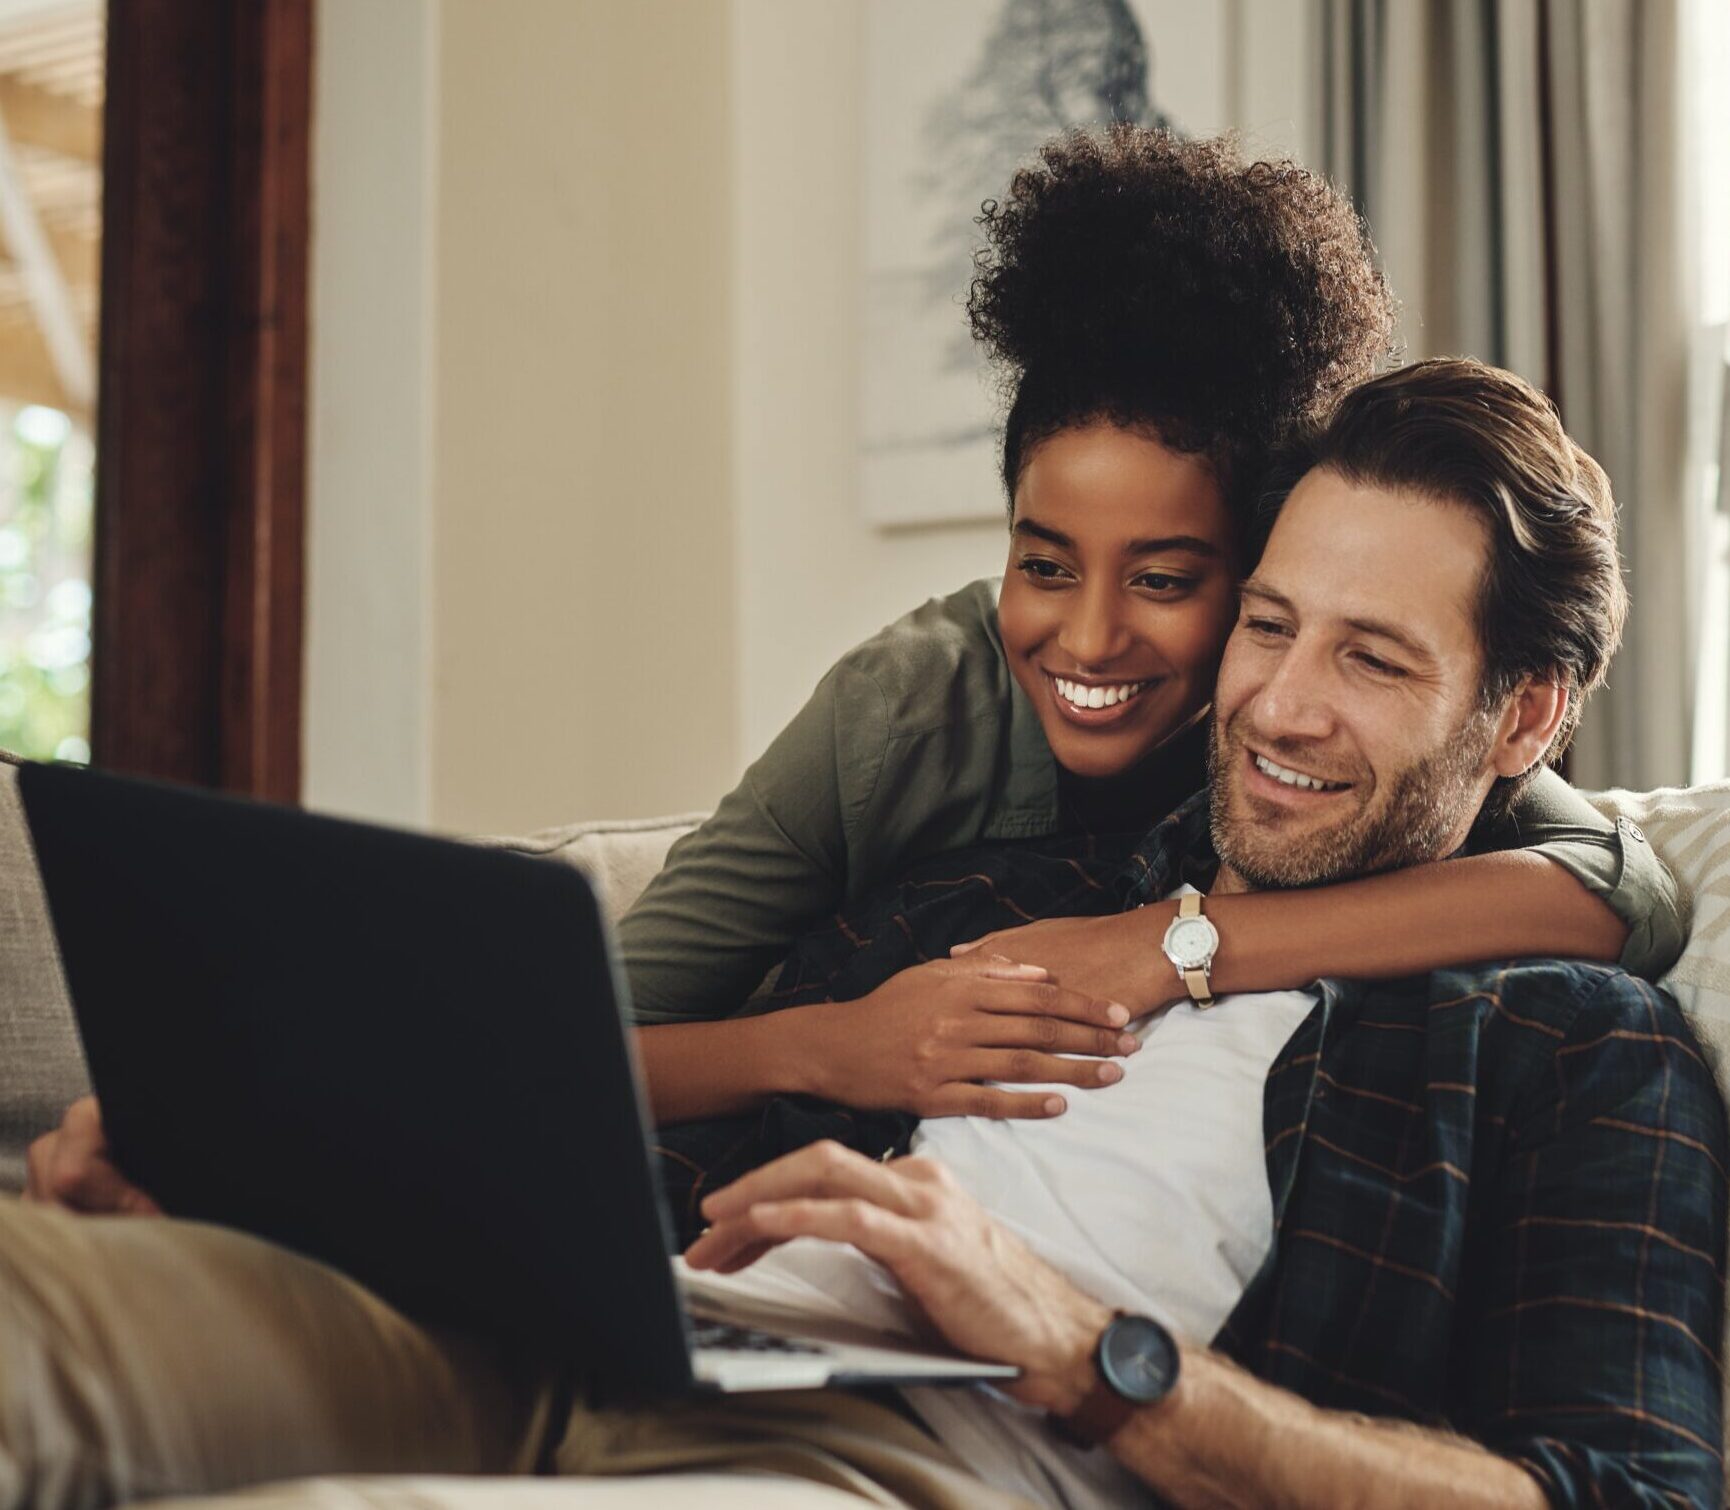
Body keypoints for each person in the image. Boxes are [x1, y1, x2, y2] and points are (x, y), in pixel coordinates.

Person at [9, 359, 1720, 1510]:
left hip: (911, 1457)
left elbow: (1618, 1490)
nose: (1278, 698)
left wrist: (1091, 1355)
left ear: (1520, 720)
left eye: (1375, 656)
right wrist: (255, 1170)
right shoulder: (995, 893)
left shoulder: (1575, 1048)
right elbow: (605, 1159)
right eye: (1270, 622)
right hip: (621, 1335)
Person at [626, 126, 1684, 1134]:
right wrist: (832, 1046)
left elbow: (1616, 895)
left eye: (1165, 580)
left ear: (1262, 571)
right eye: (1042, 564)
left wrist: (1168, 944)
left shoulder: (1312, 722)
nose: (1087, 639)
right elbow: (585, 1038)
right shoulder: (906, 710)